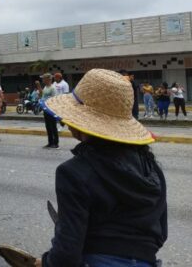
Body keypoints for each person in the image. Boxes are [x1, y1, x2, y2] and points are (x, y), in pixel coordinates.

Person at [36, 68, 166, 267]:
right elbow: (161, 233)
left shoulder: (73, 172)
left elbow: (66, 254)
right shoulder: (151, 167)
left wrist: (46, 262)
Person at [36, 74, 59, 148]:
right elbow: (41, 95)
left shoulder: (53, 88)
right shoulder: (46, 87)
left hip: (51, 109)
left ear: (48, 79)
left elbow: (54, 99)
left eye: (44, 78)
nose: (43, 80)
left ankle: (55, 143)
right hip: (46, 109)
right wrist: (39, 86)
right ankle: (50, 142)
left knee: (53, 126)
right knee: (48, 126)